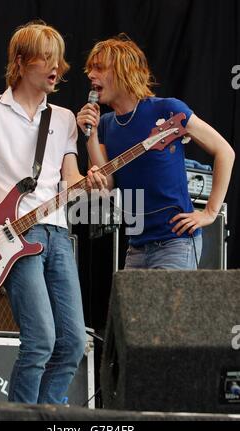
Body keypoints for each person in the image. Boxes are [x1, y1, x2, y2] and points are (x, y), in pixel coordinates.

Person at [0, 21, 106, 404]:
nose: (57, 69)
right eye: (47, 60)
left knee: (72, 343)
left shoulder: (66, 118)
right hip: (17, 236)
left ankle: (47, 417)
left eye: (59, 61)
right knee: (40, 342)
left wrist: (90, 176)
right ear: (21, 63)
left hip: (58, 233)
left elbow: (69, 181)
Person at [77, 34, 235, 270]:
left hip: (175, 243)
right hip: (137, 246)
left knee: (168, 309)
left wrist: (210, 213)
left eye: (99, 68)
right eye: (90, 69)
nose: (90, 75)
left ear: (124, 71)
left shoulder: (166, 109)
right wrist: (90, 137)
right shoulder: (106, 125)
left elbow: (225, 151)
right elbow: (107, 184)